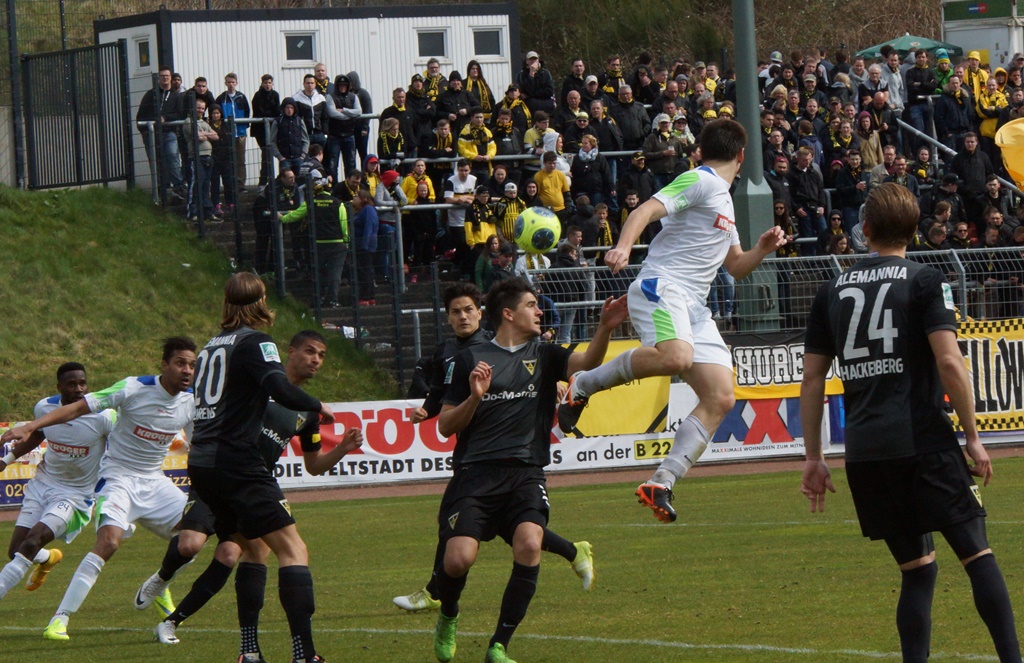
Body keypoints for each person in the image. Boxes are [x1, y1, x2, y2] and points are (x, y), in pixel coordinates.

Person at [800, 183, 1023, 663]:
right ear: (915, 228)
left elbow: (813, 379)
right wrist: (973, 437)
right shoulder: (925, 280)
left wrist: (814, 457)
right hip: (922, 440)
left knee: (918, 570)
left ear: (865, 229)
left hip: (866, 452)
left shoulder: (830, 291)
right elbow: (949, 361)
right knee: (977, 554)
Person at [556, 119, 787, 523]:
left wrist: (762, 249)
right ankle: (583, 384)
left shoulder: (724, 201)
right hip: (662, 286)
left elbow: (735, 266)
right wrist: (623, 247)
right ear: (742, 155)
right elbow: (646, 208)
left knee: (721, 397)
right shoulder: (700, 179)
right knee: (678, 357)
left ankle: (661, 482)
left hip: (694, 306)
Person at [431, 277, 627, 663]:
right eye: (532, 305)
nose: (540, 311)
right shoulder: (471, 360)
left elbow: (587, 363)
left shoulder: (546, 354)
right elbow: (445, 425)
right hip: (475, 473)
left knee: (530, 544)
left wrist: (605, 327)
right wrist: (475, 397)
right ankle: (448, 614)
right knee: (458, 559)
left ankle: (499, 645)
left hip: (526, 473)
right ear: (508, 313)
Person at [151, 331, 363, 647]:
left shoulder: (307, 412)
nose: (316, 360)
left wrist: (343, 448)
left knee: (234, 553)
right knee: (190, 544)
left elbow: (314, 465)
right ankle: (161, 579)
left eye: (321, 355)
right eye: (309, 351)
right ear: (290, 351)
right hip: (223, 474)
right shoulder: (254, 386)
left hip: (251, 486)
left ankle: (173, 622)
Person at [396, 283, 593, 614]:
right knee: (488, 530)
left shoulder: (492, 347)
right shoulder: (447, 353)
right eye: (455, 311)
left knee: (497, 531)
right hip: (475, 457)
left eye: (468, 310)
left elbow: (527, 368)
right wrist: (427, 411)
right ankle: (573, 551)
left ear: (481, 313)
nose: (463, 316)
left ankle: (434, 592)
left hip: (511, 459)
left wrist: (554, 384)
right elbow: (441, 392)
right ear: (447, 317)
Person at [1, 338, 199, 641]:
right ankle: (60, 619)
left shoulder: (192, 403)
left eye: (192, 365)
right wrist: (27, 430)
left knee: (195, 537)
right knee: (104, 544)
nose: (187, 370)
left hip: (150, 482)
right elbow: (74, 411)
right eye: (180, 363)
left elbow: (200, 445)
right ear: (164, 364)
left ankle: (160, 583)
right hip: (116, 478)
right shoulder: (132, 388)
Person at [186, 273, 335, 663]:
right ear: (261, 301)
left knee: (254, 549)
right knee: (293, 549)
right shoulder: (257, 342)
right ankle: (305, 654)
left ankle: (249, 652)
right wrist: (317, 405)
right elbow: (280, 388)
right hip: (237, 461)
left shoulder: (210, 346)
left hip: (202, 464)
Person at [0, 363, 114, 603]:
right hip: (43, 484)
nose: (79, 389)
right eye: (72, 384)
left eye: (82, 383)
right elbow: (38, 434)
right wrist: (6, 460)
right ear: (59, 387)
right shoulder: (44, 407)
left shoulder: (103, 416)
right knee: (16, 550)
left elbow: (120, 450)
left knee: (32, 541)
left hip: (75, 495)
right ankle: (48, 558)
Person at [280, 169, 349, 308]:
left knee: (319, 272)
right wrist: (346, 242)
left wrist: (282, 218)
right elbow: (344, 225)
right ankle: (333, 299)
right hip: (337, 243)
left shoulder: (311, 202)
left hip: (319, 243)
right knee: (335, 273)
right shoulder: (338, 203)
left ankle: (319, 298)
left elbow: (296, 215)